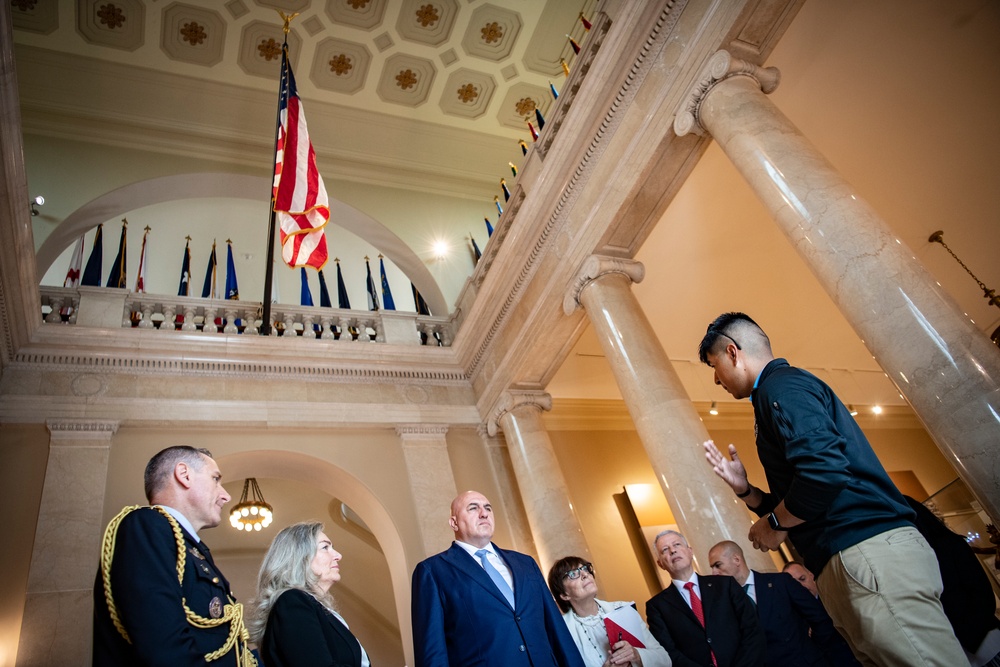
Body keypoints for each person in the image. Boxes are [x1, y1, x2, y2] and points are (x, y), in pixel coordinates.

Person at [697, 311, 967, 666]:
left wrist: (775, 525)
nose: (717, 381)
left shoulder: (782, 386)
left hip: (864, 550)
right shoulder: (773, 394)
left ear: (733, 352)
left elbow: (824, 473)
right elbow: (804, 499)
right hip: (849, 559)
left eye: (715, 366)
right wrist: (748, 491)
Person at [93, 446, 256, 666]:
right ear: (184, 475)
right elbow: (167, 651)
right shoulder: (146, 526)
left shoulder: (190, 547)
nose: (225, 495)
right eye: (216, 479)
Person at [411, 489, 585, 667]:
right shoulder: (432, 571)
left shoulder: (526, 563)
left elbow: (557, 629)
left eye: (488, 508)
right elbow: (432, 652)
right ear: (453, 523)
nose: (484, 513)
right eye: (473, 508)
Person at [707, 541, 858, 667]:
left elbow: (819, 618)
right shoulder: (725, 605)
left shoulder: (780, 582)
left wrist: (810, 650)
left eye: (717, 565)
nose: (714, 573)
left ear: (736, 559)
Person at [249, 521, 370, 667]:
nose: (338, 555)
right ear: (300, 557)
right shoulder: (291, 601)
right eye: (325, 547)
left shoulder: (318, 609)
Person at [645, 530, 764, 667]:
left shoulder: (726, 585)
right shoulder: (657, 606)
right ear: (660, 564)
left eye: (677, 544)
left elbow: (752, 629)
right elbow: (668, 652)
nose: (672, 551)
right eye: (665, 550)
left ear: (690, 552)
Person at [904, 496, 1000, 666]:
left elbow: (982, 596)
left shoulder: (949, 544)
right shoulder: (913, 560)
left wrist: (966, 634)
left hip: (986, 643)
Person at [547, 555, 671, 667]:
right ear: (564, 595)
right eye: (573, 574)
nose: (585, 575)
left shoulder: (622, 609)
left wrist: (637, 656)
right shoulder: (562, 631)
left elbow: (665, 660)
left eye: (585, 569)